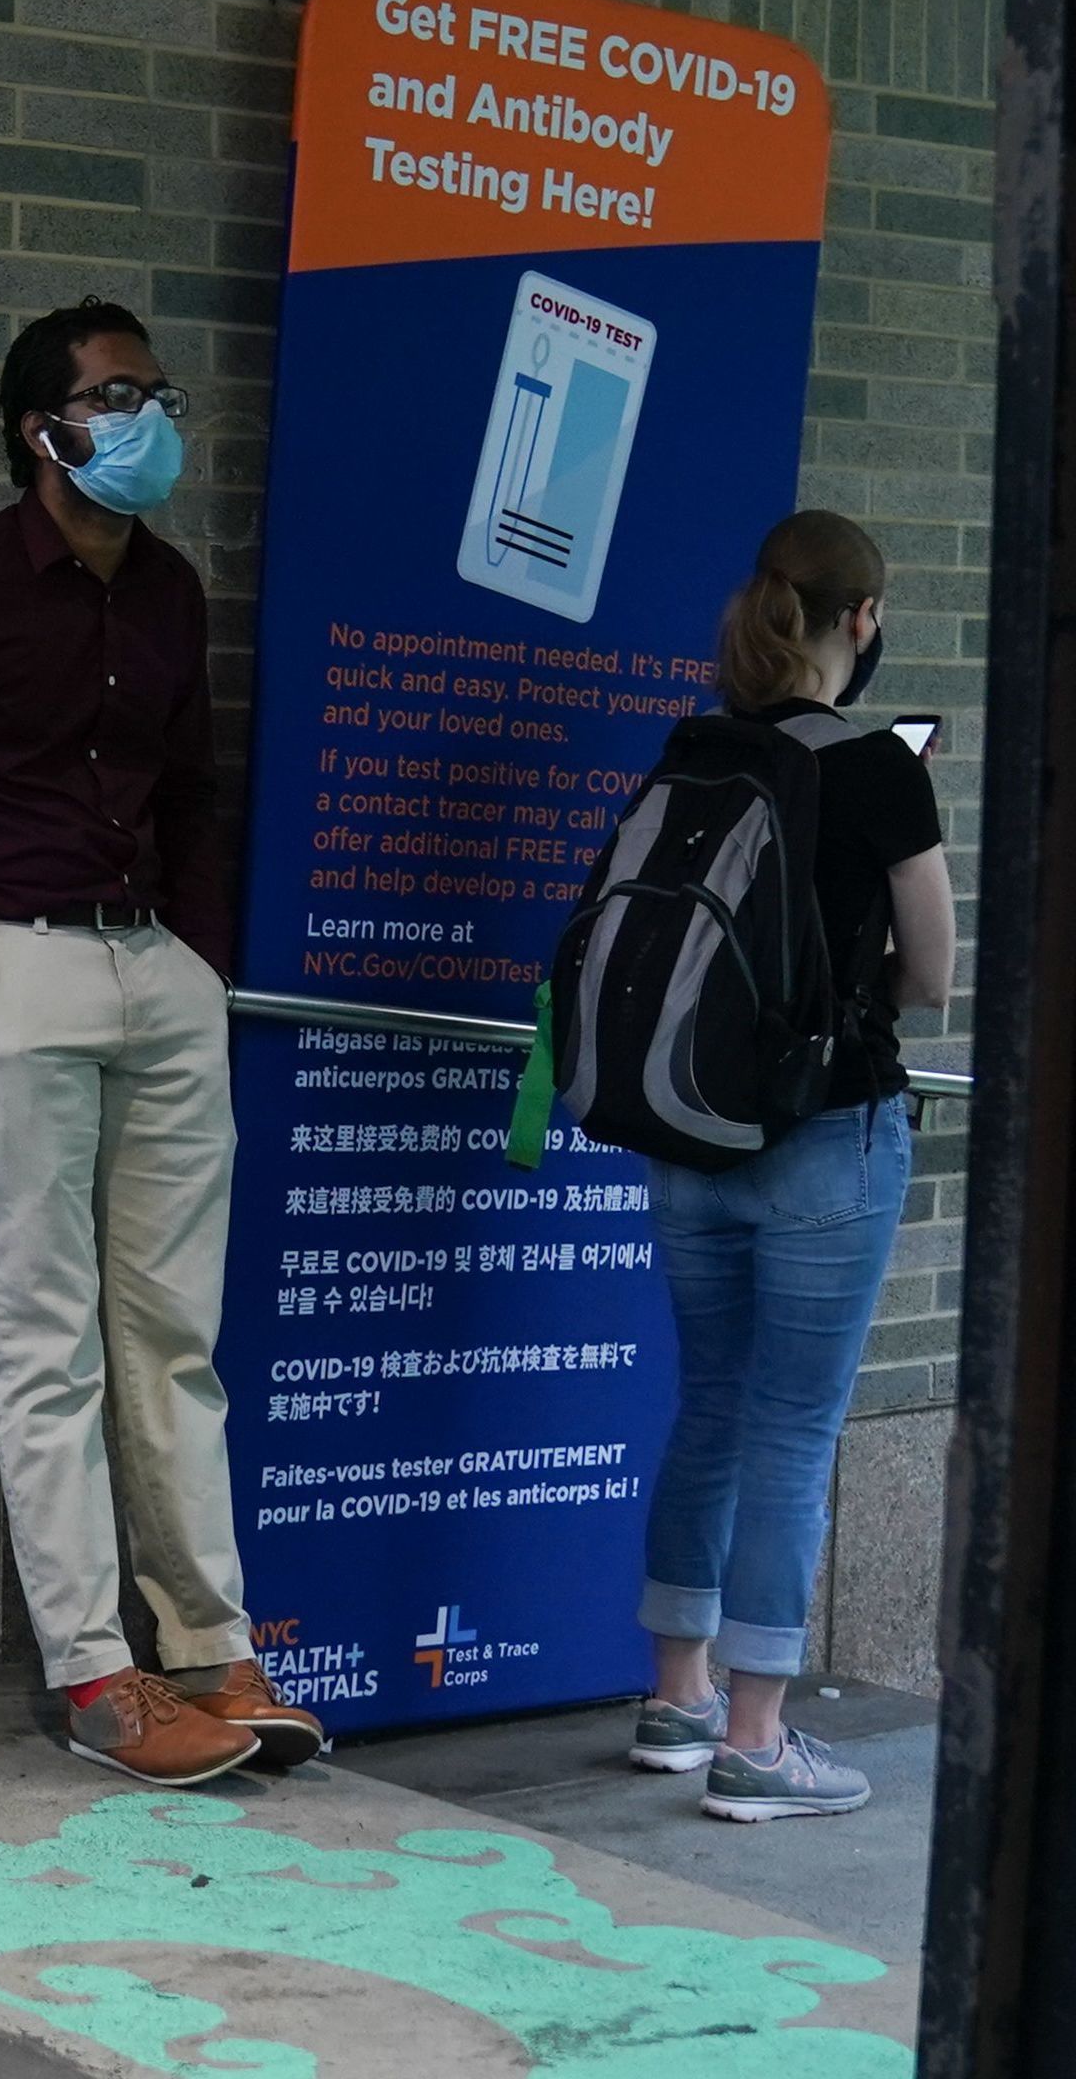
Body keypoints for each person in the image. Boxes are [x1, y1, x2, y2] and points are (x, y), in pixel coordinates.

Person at [0, 297, 318, 1788]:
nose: (147, 417)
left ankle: (212, 1647)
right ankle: (100, 1676)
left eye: (157, 390)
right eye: (114, 396)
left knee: (173, 1334)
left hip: (152, 970)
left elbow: (193, 792)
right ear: (41, 430)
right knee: (47, 1337)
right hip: (11, 971)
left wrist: (200, 967)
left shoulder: (168, 593)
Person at [622, 511, 951, 1822]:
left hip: (689, 1132)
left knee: (708, 1406)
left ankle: (676, 1699)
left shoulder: (694, 749)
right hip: (829, 1132)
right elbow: (930, 976)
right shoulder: (877, 768)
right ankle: (760, 1738)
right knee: (794, 1429)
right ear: (861, 619)